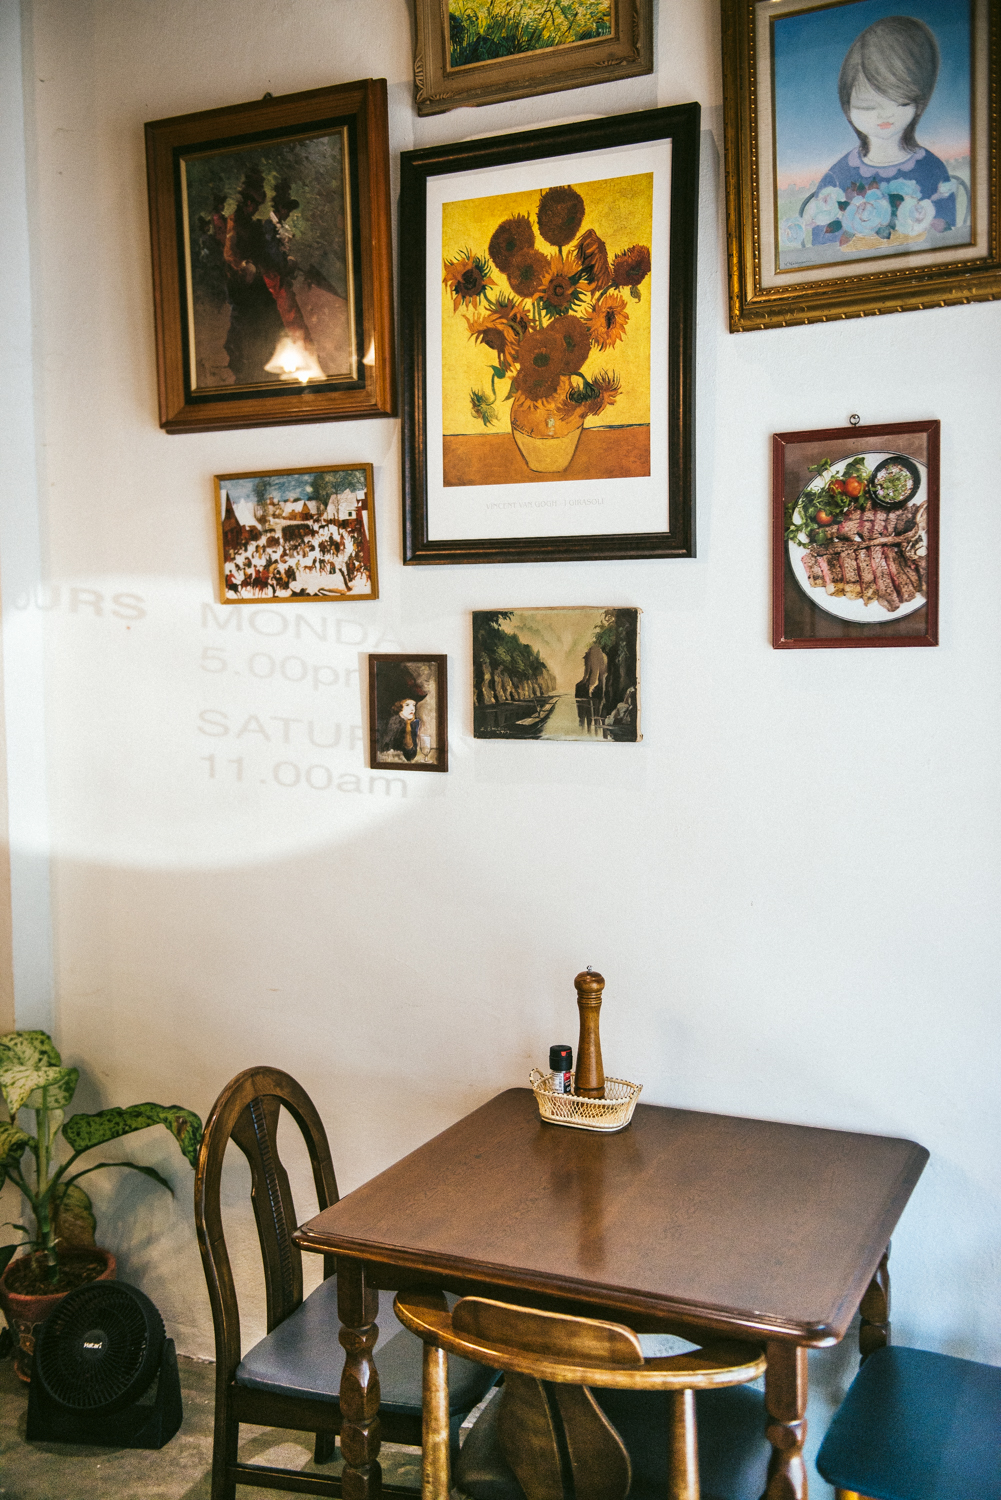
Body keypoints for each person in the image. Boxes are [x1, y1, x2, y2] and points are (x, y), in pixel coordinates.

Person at [804, 16, 957, 250]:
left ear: (920, 99)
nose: (884, 115)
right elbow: (822, 249)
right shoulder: (836, 178)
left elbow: (949, 238)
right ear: (848, 107)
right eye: (867, 106)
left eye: (899, 101)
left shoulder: (931, 169)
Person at [222, 167, 286, 383]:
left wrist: (275, 265)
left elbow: (263, 252)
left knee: (270, 319)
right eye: (253, 203)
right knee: (245, 326)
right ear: (246, 201)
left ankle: (267, 365)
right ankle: (247, 372)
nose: (255, 208)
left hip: (257, 282)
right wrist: (243, 264)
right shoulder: (234, 221)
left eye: (257, 204)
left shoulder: (254, 225)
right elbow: (229, 252)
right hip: (242, 283)